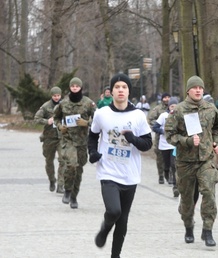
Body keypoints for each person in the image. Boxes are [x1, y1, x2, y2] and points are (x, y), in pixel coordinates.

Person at [88, 73, 152, 257]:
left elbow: (147, 144)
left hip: (130, 174)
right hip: (108, 172)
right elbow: (92, 136)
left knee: (123, 219)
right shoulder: (101, 114)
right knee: (114, 210)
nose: (121, 90)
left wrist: (133, 138)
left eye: (124, 87)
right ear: (112, 91)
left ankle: (115, 255)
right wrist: (92, 152)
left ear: (129, 91)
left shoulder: (138, 115)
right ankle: (105, 228)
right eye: (117, 87)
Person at [164, 75, 218, 247]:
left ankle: (208, 229)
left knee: (208, 193)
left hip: (206, 160)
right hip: (185, 162)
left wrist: (216, 142)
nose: (198, 90)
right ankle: (189, 226)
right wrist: (187, 141)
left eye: (201, 88)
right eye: (195, 88)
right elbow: (169, 134)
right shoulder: (179, 110)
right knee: (187, 199)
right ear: (188, 91)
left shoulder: (210, 108)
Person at [53, 77, 96, 209]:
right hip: (68, 140)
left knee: (78, 169)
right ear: (70, 88)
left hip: (82, 141)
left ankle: (74, 196)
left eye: (77, 86)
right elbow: (56, 118)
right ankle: (67, 190)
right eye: (73, 86)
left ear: (81, 87)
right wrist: (60, 126)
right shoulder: (63, 103)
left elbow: (98, 119)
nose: (75, 88)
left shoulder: (88, 103)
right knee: (71, 164)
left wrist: (87, 123)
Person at [34, 86, 65, 193]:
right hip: (49, 138)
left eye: (58, 95)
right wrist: (47, 121)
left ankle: (60, 185)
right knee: (49, 161)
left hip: (62, 137)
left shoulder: (65, 105)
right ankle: (52, 180)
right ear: (51, 96)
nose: (56, 97)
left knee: (63, 160)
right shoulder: (46, 107)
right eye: (54, 95)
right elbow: (36, 119)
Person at [152, 96, 180, 197]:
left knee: (174, 163)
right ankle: (166, 173)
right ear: (169, 106)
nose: (173, 108)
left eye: (175, 106)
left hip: (174, 144)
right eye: (172, 106)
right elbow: (155, 127)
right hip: (164, 144)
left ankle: (173, 181)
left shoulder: (180, 115)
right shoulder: (163, 116)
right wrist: (162, 131)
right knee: (166, 163)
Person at [148, 92, 171, 184]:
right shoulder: (157, 109)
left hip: (170, 138)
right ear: (162, 99)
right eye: (165, 97)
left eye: (168, 97)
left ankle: (169, 175)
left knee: (171, 157)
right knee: (160, 157)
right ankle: (161, 175)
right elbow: (150, 119)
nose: (167, 99)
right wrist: (160, 127)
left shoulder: (174, 108)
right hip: (159, 137)